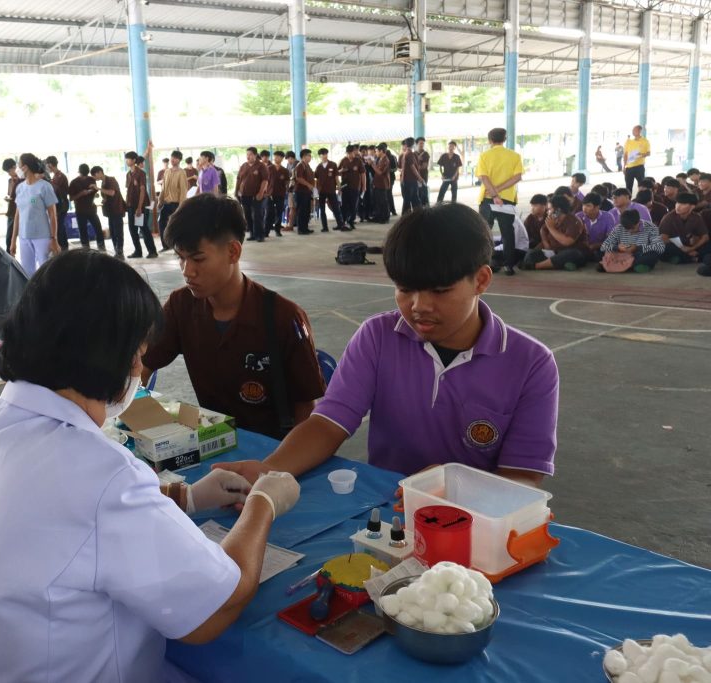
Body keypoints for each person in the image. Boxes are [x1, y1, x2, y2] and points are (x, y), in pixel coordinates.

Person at [0, 249, 301, 683]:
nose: (140, 367)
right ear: (113, 355)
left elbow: (59, 527)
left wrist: (185, 497)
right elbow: (215, 608)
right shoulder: (100, 472)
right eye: (139, 352)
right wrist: (263, 504)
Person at [215, 203, 557, 491]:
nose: (419, 306)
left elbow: (524, 476)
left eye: (439, 291)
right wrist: (270, 471)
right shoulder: (378, 337)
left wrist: (454, 487)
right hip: (385, 509)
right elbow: (329, 423)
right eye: (405, 289)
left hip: (476, 522)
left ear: (480, 280)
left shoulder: (531, 363)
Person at [141, 194, 325, 439]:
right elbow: (143, 364)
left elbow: (307, 409)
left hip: (274, 446)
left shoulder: (283, 317)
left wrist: (284, 459)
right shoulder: (181, 305)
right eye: (180, 258)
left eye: (198, 259)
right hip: (212, 438)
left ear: (233, 252)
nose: (187, 271)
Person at [477, 127, 524, 276]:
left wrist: (493, 194)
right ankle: (509, 266)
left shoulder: (484, 156)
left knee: (484, 232)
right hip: (507, 199)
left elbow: (484, 177)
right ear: (505, 139)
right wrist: (499, 191)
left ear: (490, 140)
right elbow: (517, 177)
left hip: (487, 199)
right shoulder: (515, 156)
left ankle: (484, 264)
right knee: (507, 232)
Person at [10, 153, 59, 276]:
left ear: (25, 167)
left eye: (19, 165)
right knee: (27, 272)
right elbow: (17, 216)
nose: (17, 169)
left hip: (42, 237)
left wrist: (54, 238)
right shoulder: (20, 188)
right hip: (24, 237)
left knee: (45, 271)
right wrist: (13, 240)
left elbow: (53, 215)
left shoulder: (44, 187)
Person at [520, 195, 588, 271]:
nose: (547, 212)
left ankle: (536, 266)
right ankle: (557, 264)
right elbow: (543, 230)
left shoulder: (574, 221)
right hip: (555, 251)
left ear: (558, 210)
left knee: (572, 254)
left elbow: (567, 242)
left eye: (549, 209)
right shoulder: (553, 218)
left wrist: (551, 228)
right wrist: (546, 243)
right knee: (531, 254)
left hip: (574, 252)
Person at [596, 209, 664, 273]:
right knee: (600, 253)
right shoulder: (619, 228)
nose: (630, 231)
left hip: (639, 255)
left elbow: (660, 247)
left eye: (632, 228)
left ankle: (617, 266)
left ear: (638, 222)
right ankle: (631, 266)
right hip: (622, 255)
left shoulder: (651, 227)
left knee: (653, 254)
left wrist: (637, 248)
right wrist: (618, 248)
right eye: (627, 229)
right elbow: (603, 246)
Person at [124, 151, 158, 259]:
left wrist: (139, 208)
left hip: (140, 206)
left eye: (128, 159)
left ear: (134, 160)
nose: (126, 161)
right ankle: (138, 252)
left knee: (143, 228)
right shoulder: (128, 174)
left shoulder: (141, 173)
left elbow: (142, 190)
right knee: (132, 229)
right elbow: (128, 190)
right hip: (130, 206)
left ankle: (152, 251)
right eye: (126, 159)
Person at [659, 193, 709, 264]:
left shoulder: (696, 217)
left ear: (692, 207)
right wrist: (682, 248)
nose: (678, 206)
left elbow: (705, 237)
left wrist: (692, 248)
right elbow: (663, 238)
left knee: (708, 245)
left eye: (683, 204)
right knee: (665, 248)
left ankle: (686, 258)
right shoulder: (669, 217)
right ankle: (693, 257)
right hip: (673, 245)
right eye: (677, 203)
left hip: (688, 244)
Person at [68, 163, 106, 251]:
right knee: (83, 230)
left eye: (86, 176)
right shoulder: (74, 182)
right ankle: (85, 249)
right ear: (79, 172)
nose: (85, 177)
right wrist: (81, 193)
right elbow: (71, 198)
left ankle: (101, 246)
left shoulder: (91, 179)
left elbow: (95, 191)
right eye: (83, 176)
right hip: (80, 210)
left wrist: (94, 192)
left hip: (91, 209)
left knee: (98, 228)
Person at [236, 147, 270, 242]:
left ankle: (260, 235)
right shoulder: (244, 166)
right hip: (245, 195)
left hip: (257, 195)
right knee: (248, 215)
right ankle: (252, 234)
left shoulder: (261, 166)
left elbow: (265, 180)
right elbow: (239, 179)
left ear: (255, 155)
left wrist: (260, 193)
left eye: (250, 154)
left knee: (257, 215)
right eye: (247, 154)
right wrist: (237, 191)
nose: (248, 156)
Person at [92, 166, 126, 259]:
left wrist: (98, 188)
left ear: (100, 172)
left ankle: (120, 253)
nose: (95, 177)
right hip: (110, 212)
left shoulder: (111, 180)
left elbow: (112, 193)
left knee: (118, 233)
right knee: (113, 233)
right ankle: (117, 252)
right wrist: (104, 200)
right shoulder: (103, 182)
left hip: (116, 210)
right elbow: (108, 195)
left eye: (94, 175)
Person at [157, 150, 188, 250]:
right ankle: (165, 246)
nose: (172, 160)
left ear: (179, 160)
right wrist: (160, 200)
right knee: (161, 223)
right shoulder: (167, 171)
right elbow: (163, 187)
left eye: (175, 158)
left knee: (176, 226)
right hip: (166, 203)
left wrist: (181, 206)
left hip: (176, 204)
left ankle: (178, 247)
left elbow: (183, 190)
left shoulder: (182, 172)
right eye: (172, 157)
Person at [577, 192, 617, 258]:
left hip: (600, 247)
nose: (584, 208)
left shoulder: (608, 217)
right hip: (583, 247)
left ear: (597, 207)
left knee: (610, 249)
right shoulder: (578, 216)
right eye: (583, 205)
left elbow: (611, 238)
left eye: (588, 206)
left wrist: (596, 246)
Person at [44, 156, 71, 251]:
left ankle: (63, 247)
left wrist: (48, 181)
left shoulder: (60, 176)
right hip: (59, 206)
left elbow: (55, 191)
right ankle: (62, 247)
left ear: (50, 165)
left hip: (61, 206)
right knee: (59, 226)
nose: (46, 168)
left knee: (59, 227)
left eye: (47, 166)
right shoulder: (55, 176)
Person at [314, 148, 344, 232]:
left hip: (331, 190)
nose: (325, 156)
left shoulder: (333, 164)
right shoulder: (318, 167)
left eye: (326, 154)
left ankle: (340, 224)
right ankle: (325, 227)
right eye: (323, 154)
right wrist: (315, 192)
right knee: (322, 209)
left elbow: (336, 177)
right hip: (321, 191)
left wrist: (339, 188)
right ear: (320, 156)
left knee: (335, 208)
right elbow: (316, 179)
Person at [338, 144, 365, 231]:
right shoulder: (343, 160)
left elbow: (363, 174)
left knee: (354, 205)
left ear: (354, 152)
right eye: (348, 153)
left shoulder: (358, 161)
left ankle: (351, 221)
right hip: (345, 186)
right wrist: (341, 170)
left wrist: (364, 186)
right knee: (344, 205)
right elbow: (337, 172)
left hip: (355, 186)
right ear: (346, 153)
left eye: (352, 153)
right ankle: (343, 222)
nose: (350, 155)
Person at [265, 150, 290, 237]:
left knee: (279, 212)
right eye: (275, 157)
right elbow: (265, 181)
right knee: (269, 212)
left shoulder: (285, 170)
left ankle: (277, 230)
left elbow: (287, 182)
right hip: (270, 194)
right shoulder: (268, 168)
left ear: (282, 158)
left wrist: (287, 190)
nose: (276, 158)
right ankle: (266, 231)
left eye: (278, 157)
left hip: (280, 194)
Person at [398, 138, 424, 215]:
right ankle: (414, 215)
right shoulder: (409, 154)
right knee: (412, 200)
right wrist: (420, 178)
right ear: (414, 144)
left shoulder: (406, 153)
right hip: (410, 180)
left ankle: (412, 215)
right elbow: (413, 168)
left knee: (411, 199)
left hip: (407, 180)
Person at [293, 148, 316, 234]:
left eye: (310, 156)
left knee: (306, 210)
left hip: (307, 192)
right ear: (303, 156)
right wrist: (308, 185)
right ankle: (301, 229)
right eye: (308, 155)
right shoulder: (300, 165)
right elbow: (299, 178)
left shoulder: (307, 166)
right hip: (301, 192)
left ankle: (305, 228)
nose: (310, 157)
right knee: (301, 211)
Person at [1, 158, 21, 254]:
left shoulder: (23, 180)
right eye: (7, 172)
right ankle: (9, 255)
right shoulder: (10, 181)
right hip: (12, 212)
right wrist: (8, 198)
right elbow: (10, 195)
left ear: (15, 167)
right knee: (9, 237)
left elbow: (31, 199)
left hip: (21, 211)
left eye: (9, 171)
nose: (9, 174)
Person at [623, 125, 650, 194]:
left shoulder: (645, 141)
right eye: (632, 130)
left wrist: (641, 155)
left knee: (642, 186)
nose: (633, 132)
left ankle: (641, 199)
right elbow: (625, 154)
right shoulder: (628, 141)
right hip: (629, 168)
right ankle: (628, 200)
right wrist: (624, 166)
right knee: (628, 187)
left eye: (635, 130)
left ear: (640, 131)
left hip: (639, 167)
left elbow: (648, 153)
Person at [370, 143, 392, 224]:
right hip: (377, 183)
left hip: (383, 183)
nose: (376, 153)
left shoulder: (385, 160)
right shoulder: (380, 159)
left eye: (377, 151)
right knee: (378, 201)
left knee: (383, 201)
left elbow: (380, 172)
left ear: (381, 151)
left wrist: (372, 164)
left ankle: (385, 217)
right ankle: (378, 216)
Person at [415, 137, 431, 207]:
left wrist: (415, 166)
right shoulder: (414, 154)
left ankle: (426, 207)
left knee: (424, 192)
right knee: (417, 193)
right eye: (420, 143)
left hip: (423, 176)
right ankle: (419, 208)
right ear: (416, 144)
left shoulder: (426, 154)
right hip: (415, 177)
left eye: (423, 143)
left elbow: (424, 166)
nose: (422, 145)